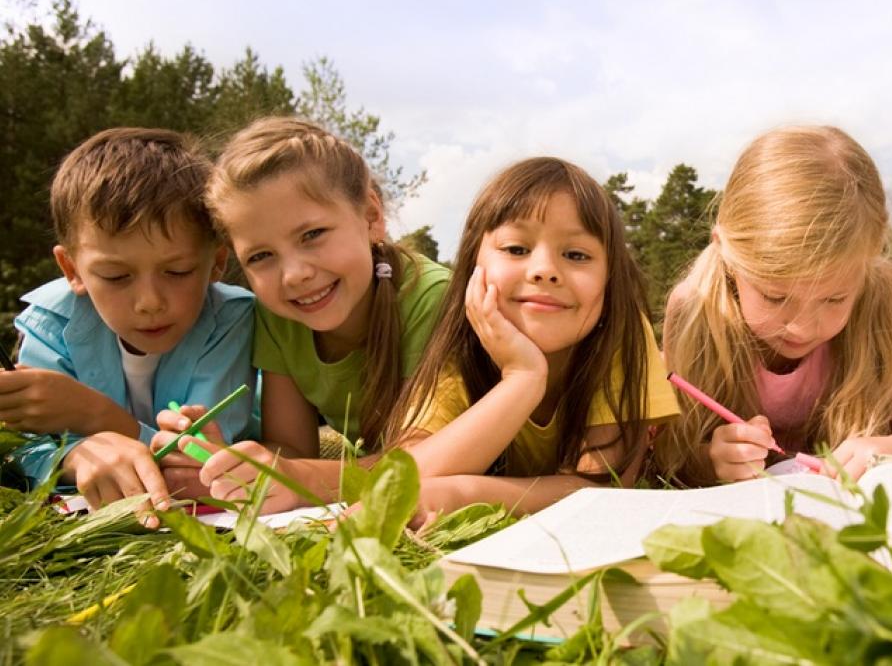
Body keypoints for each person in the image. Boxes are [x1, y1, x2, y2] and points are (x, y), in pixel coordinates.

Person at [156, 117, 449, 510]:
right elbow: (292, 447)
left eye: (312, 235)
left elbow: (427, 461)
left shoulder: (431, 298)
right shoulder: (279, 315)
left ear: (371, 217)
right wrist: (226, 465)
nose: (294, 276)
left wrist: (299, 479)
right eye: (261, 257)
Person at [656, 126, 892, 485]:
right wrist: (712, 461)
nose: (801, 327)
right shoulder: (695, 308)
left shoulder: (881, 297)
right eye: (775, 297)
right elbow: (671, 456)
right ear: (726, 254)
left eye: (834, 299)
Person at [386, 156, 679, 526]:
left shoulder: (622, 335)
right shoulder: (461, 347)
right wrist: (523, 377)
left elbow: (604, 485)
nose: (544, 270)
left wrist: (467, 494)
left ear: (610, 280)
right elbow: (403, 481)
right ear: (472, 266)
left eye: (575, 255)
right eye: (516, 249)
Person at [1, 128, 257, 518]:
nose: (149, 303)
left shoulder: (230, 320)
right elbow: (22, 450)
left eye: (178, 271)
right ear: (72, 269)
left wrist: (96, 416)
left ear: (217, 263)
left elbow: (200, 459)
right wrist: (73, 456)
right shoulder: (50, 323)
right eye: (116, 277)